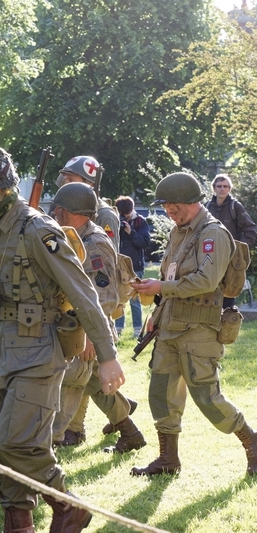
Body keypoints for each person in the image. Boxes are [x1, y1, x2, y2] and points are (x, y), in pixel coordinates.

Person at [0, 146, 125, 532]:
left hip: (37, 353)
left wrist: (106, 355)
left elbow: (83, 294)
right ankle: (18, 523)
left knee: (16, 444)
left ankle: (68, 507)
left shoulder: (38, 230)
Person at [131, 172, 257, 477]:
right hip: (170, 326)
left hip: (199, 330)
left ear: (191, 202)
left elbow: (206, 280)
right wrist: (155, 314)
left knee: (206, 397)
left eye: (173, 206)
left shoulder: (212, 233)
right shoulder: (179, 231)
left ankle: (252, 442)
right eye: (165, 206)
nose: (168, 211)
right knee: (161, 393)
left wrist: (160, 288)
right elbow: (170, 275)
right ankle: (167, 460)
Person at [50, 184, 145, 456]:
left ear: (70, 211)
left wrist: (92, 336)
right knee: (94, 382)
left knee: (70, 381)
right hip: (78, 327)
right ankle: (130, 432)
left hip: (87, 330)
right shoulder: (73, 236)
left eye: (59, 209)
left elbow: (105, 297)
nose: (55, 212)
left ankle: (52, 440)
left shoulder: (94, 242)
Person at [205, 173, 257, 308]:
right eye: (219, 186)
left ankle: (228, 327)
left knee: (227, 296)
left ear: (229, 189)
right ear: (214, 188)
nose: (222, 189)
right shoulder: (207, 207)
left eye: (225, 186)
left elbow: (251, 230)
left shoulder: (235, 206)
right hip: (208, 257)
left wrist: (238, 250)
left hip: (229, 259)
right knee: (208, 293)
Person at [58, 155, 120, 250]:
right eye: (65, 180)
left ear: (90, 184)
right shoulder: (69, 209)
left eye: (71, 180)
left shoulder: (105, 215)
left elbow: (110, 256)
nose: (66, 184)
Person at [114, 196, 150, 337]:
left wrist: (131, 232)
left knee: (135, 299)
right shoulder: (116, 221)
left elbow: (145, 242)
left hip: (135, 266)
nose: (126, 217)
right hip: (119, 265)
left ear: (132, 209)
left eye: (127, 214)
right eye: (123, 215)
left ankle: (137, 328)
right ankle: (118, 328)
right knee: (119, 298)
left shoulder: (140, 221)